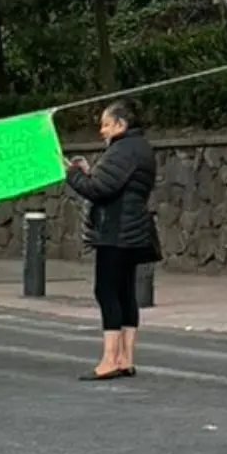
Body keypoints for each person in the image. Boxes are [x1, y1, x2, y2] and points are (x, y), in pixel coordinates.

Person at [65, 98, 157, 381]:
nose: (102, 130)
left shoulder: (123, 150)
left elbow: (99, 188)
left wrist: (72, 174)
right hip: (133, 229)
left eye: (106, 124)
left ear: (121, 124)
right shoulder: (141, 147)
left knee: (106, 291)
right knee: (125, 292)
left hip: (116, 231)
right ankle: (125, 358)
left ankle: (109, 360)